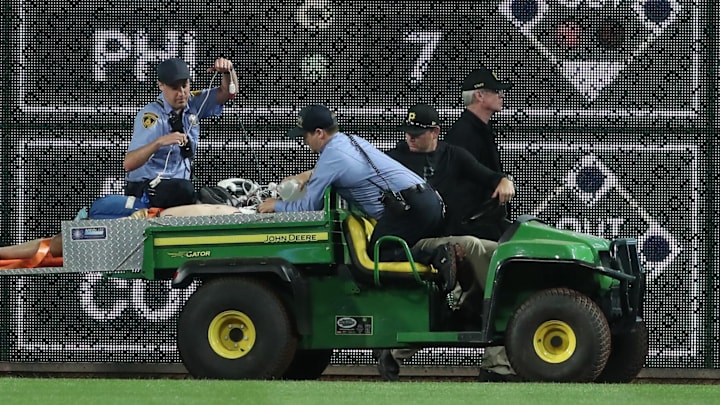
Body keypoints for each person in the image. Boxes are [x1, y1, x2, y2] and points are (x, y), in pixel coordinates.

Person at [373, 103, 517, 382]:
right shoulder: (391, 159)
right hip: (410, 242)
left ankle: (495, 359)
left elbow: (491, 177)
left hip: (444, 241)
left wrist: (504, 181)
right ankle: (497, 360)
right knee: (475, 247)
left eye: (417, 133)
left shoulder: (453, 156)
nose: (410, 138)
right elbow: (348, 169)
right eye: (408, 132)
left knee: (502, 256)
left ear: (435, 131)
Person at [257, 104, 462, 290]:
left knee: (378, 254)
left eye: (305, 136)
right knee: (395, 249)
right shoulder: (348, 141)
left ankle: (438, 256)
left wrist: (276, 206)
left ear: (319, 133)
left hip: (411, 207)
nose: (304, 141)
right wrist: (306, 176)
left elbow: (308, 207)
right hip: (427, 201)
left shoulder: (331, 158)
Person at [123, 57, 239, 209]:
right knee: (185, 190)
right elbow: (129, 164)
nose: (182, 93)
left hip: (179, 187)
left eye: (185, 85)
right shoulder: (151, 117)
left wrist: (228, 72)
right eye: (174, 88)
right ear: (161, 85)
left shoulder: (193, 103)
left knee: (220, 194)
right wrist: (159, 142)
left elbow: (228, 92)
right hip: (148, 187)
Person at [444, 67, 514, 241]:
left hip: (486, 221)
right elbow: (461, 193)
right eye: (496, 91)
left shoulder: (482, 131)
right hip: (471, 227)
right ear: (479, 95)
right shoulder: (462, 135)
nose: (502, 95)